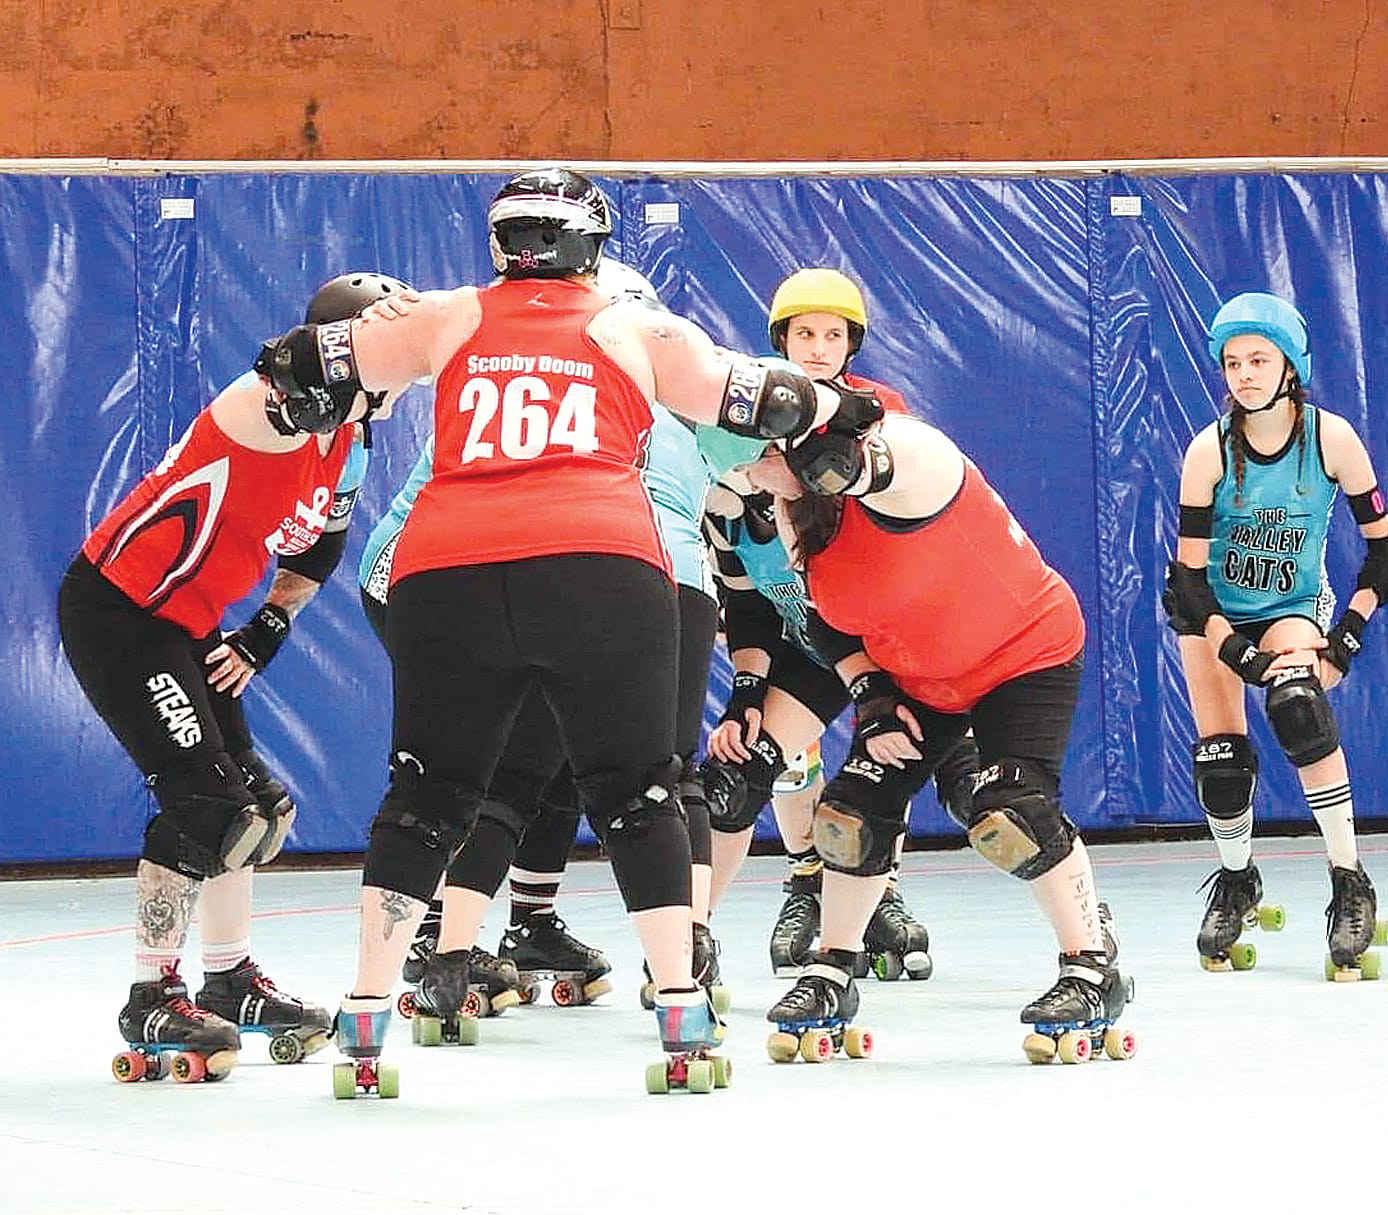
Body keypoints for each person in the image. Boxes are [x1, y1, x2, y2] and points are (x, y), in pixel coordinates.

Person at [253, 167, 832, 1095]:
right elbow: (769, 400)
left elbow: (301, 361)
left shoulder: (449, 314)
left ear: (501, 243)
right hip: (597, 565)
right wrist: (844, 411)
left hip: (444, 570)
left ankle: (365, 1016)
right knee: (640, 788)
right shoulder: (636, 326)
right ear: (590, 245)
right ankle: (680, 1009)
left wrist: (339, 347)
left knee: (427, 794)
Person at [57, 271, 409, 1082]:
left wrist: (268, 628)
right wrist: (356, 352)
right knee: (207, 809)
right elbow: (281, 374)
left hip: (189, 622)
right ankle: (151, 994)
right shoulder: (273, 406)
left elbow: (318, 550)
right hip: (120, 612)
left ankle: (229, 978)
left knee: (258, 809)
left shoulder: (350, 441)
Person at [355, 257, 722, 1017]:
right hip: (614, 577)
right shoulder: (665, 393)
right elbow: (770, 452)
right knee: (629, 781)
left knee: (479, 779)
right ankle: (678, 974)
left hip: (436, 576)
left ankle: (457, 949)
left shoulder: (483, 356)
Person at [732, 377, 1132, 1065]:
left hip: (1022, 652)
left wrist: (811, 452)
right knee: (849, 815)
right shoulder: (798, 513)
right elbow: (828, 621)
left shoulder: (918, 468)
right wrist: (873, 699)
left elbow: (880, 454)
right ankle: (833, 969)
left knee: (1011, 813)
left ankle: (1091, 967)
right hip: (923, 678)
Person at [695, 268, 952, 982]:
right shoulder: (735, 454)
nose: (816, 347)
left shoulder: (875, 415)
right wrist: (746, 692)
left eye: (831, 335)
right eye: (803, 333)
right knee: (742, 771)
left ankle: (880, 891)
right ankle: (721, 924)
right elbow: (744, 597)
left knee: (912, 762)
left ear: (850, 345)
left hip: (879, 628)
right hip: (802, 635)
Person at [1163, 291, 1388, 979]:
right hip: (1211, 610)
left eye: (1258, 360)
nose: (1243, 374)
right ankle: (1238, 879)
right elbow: (1188, 582)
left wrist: (1345, 638)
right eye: (1232, 363)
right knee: (1221, 763)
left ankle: (1349, 880)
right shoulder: (1208, 451)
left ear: (1290, 367)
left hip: (1291, 605)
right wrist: (1233, 649)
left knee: (1299, 706)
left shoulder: (1331, 439)